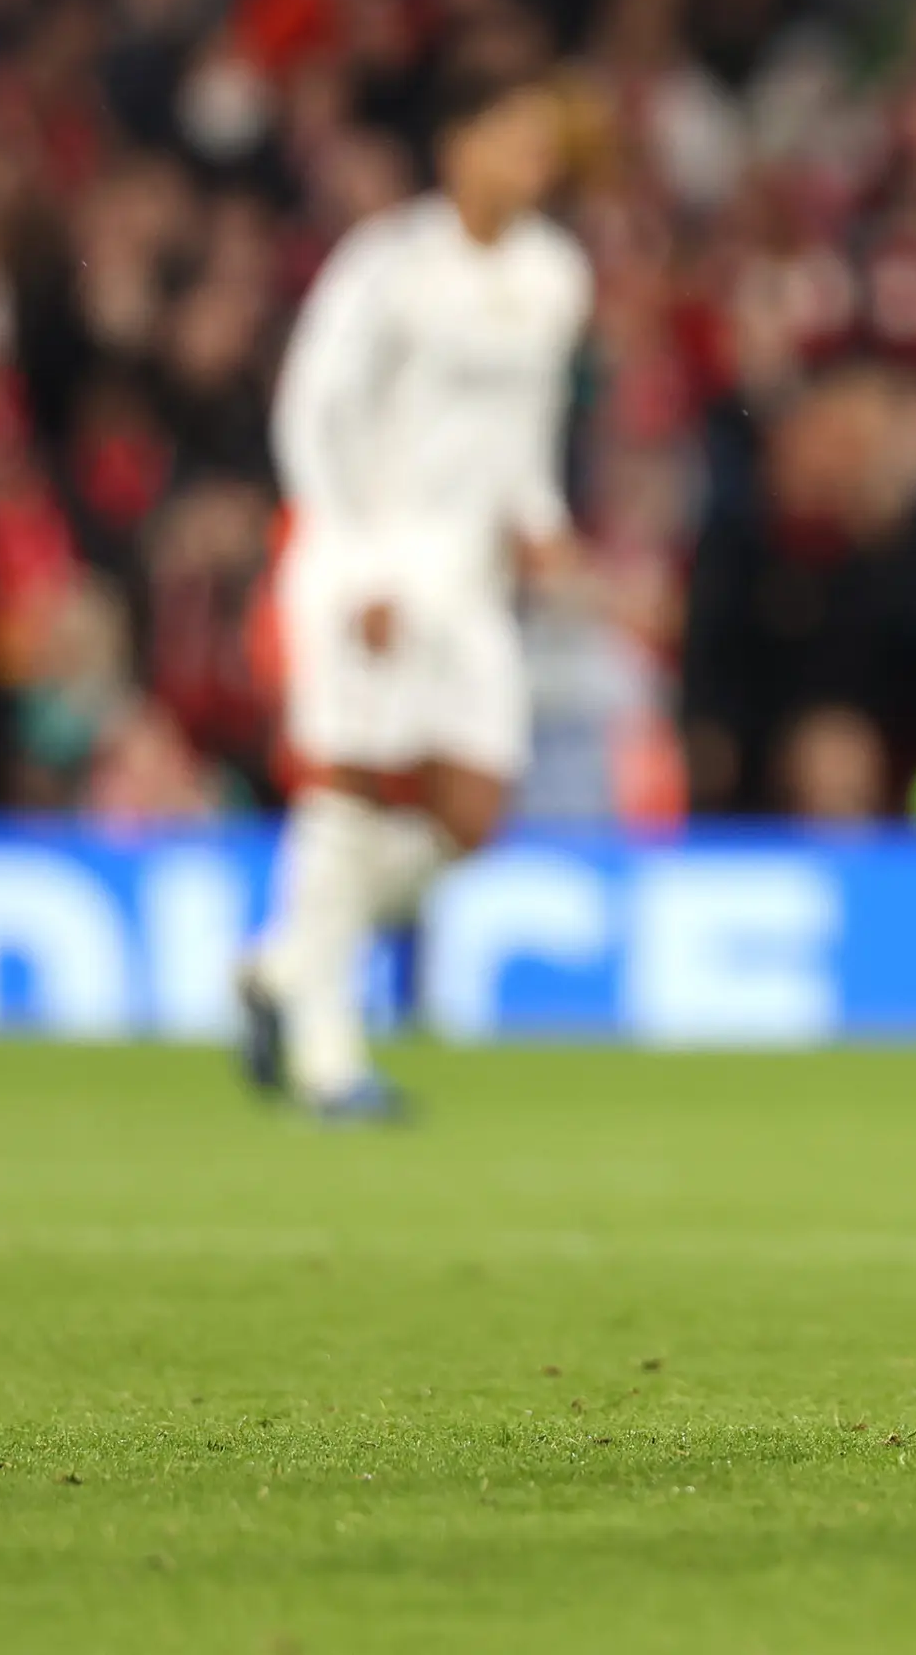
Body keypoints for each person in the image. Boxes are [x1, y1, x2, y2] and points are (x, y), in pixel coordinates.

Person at [240, 71, 589, 1120]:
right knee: (350, 785)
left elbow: (527, 427)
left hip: (468, 579)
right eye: (514, 139)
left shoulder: (554, 274)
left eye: (545, 145)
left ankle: (282, 963)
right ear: (458, 147)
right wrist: (355, 565)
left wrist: (545, 521)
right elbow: (313, 413)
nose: (535, 162)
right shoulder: (388, 265)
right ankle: (328, 1061)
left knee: (474, 810)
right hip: (363, 562)